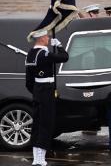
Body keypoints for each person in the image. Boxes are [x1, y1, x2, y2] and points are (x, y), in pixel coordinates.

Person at [25, 30, 69, 166]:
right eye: (46, 36)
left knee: (37, 125)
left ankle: (36, 157)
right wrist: (60, 45)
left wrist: (37, 91)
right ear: (41, 38)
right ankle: (40, 159)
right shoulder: (44, 54)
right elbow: (65, 57)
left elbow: (28, 82)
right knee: (46, 124)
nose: (48, 38)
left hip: (37, 91)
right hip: (47, 91)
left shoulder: (30, 55)